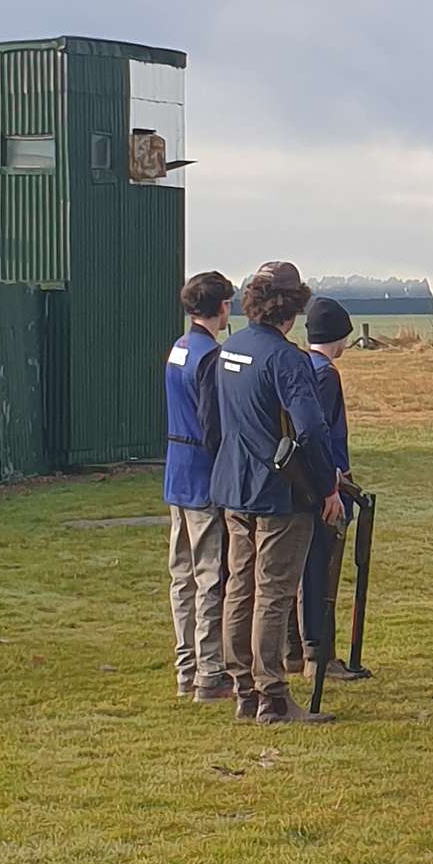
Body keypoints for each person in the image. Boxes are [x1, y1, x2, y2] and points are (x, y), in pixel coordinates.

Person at [210, 261, 345, 725]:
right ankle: (272, 695)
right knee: (273, 592)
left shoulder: (230, 349)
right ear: (294, 305)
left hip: (234, 484)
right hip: (279, 491)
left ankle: (244, 689)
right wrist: (327, 487)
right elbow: (311, 429)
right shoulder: (286, 358)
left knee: (240, 586)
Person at [164, 270, 237, 701]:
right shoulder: (211, 356)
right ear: (222, 307)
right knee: (210, 574)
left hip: (176, 468)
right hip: (202, 471)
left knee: (181, 575)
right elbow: (214, 426)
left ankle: (185, 669)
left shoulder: (179, 348)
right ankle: (210, 672)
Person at [295, 294, 362, 682]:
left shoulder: (303, 366)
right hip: (326, 485)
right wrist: (333, 482)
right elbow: (318, 432)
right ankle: (319, 654)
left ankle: (297, 650)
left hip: (309, 483)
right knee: (322, 569)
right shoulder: (326, 375)